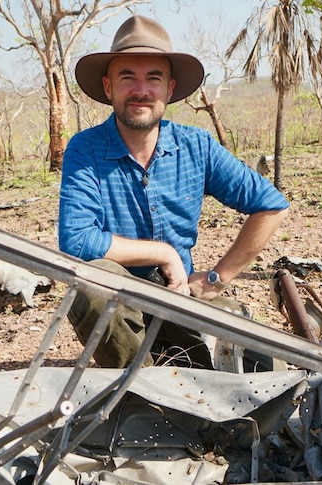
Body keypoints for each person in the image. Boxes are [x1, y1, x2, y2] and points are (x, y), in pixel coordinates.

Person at [58, 15, 289, 369]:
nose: (141, 90)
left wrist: (216, 278)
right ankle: (141, 394)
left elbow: (271, 206)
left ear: (169, 88)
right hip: (122, 302)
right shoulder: (84, 150)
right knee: (91, 287)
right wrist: (164, 253)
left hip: (181, 297)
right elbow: (76, 240)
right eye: (127, 77)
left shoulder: (196, 146)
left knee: (261, 365)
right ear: (108, 88)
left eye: (153, 78)